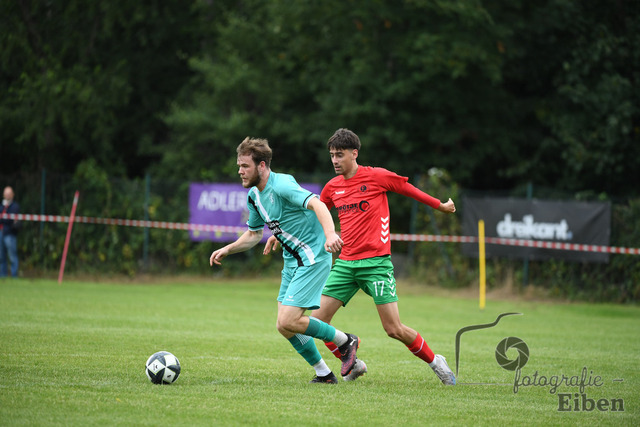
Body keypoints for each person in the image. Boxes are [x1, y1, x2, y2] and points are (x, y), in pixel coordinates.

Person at [264, 128, 457, 385]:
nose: (335, 160)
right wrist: (281, 234)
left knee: (393, 329)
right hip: (345, 264)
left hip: (376, 264)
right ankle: (353, 363)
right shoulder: (332, 187)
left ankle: (436, 362)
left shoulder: (377, 176)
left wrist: (439, 205)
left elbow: (408, 189)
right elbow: (313, 215)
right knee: (316, 322)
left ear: (354, 153)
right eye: (332, 155)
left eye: (340, 155)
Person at [209, 137, 360, 384]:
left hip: (312, 257)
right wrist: (229, 248)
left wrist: (331, 234)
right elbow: (254, 234)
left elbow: (318, 204)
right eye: (239, 166)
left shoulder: (282, 185)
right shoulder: (254, 196)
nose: (240, 171)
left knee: (289, 319)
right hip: (292, 261)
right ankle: (324, 373)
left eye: (245, 166)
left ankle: (345, 341)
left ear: (261, 166)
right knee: (284, 326)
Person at [0, 186, 20, 278]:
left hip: (10, 234)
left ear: (12, 195)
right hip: (1, 233)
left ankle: (14, 276)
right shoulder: (1, 206)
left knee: (12, 256)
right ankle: (2, 276)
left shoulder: (15, 206)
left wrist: (4, 219)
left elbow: (9, 220)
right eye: (6, 193)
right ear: (3, 194)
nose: (7, 195)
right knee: (1, 256)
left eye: (9, 193)